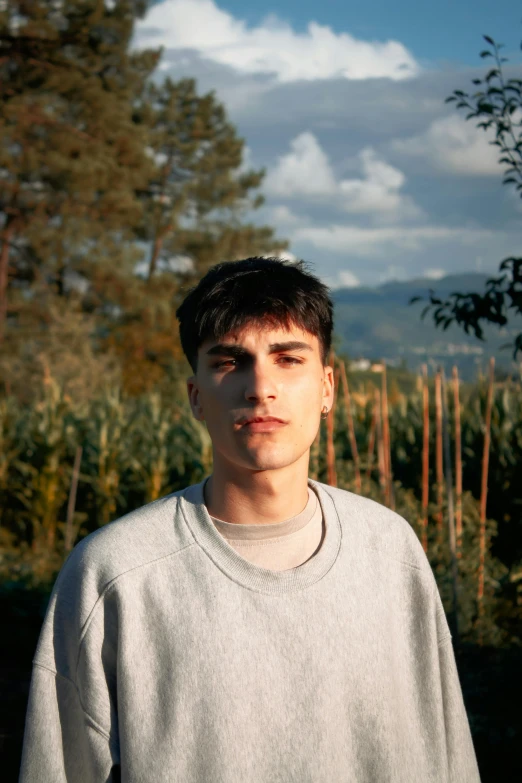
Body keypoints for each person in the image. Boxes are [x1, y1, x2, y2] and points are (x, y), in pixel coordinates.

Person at [19, 256, 481, 782]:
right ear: (195, 396)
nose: (260, 386)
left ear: (328, 387)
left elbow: (447, 754)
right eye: (229, 361)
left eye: (288, 359)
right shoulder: (114, 573)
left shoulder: (390, 549)